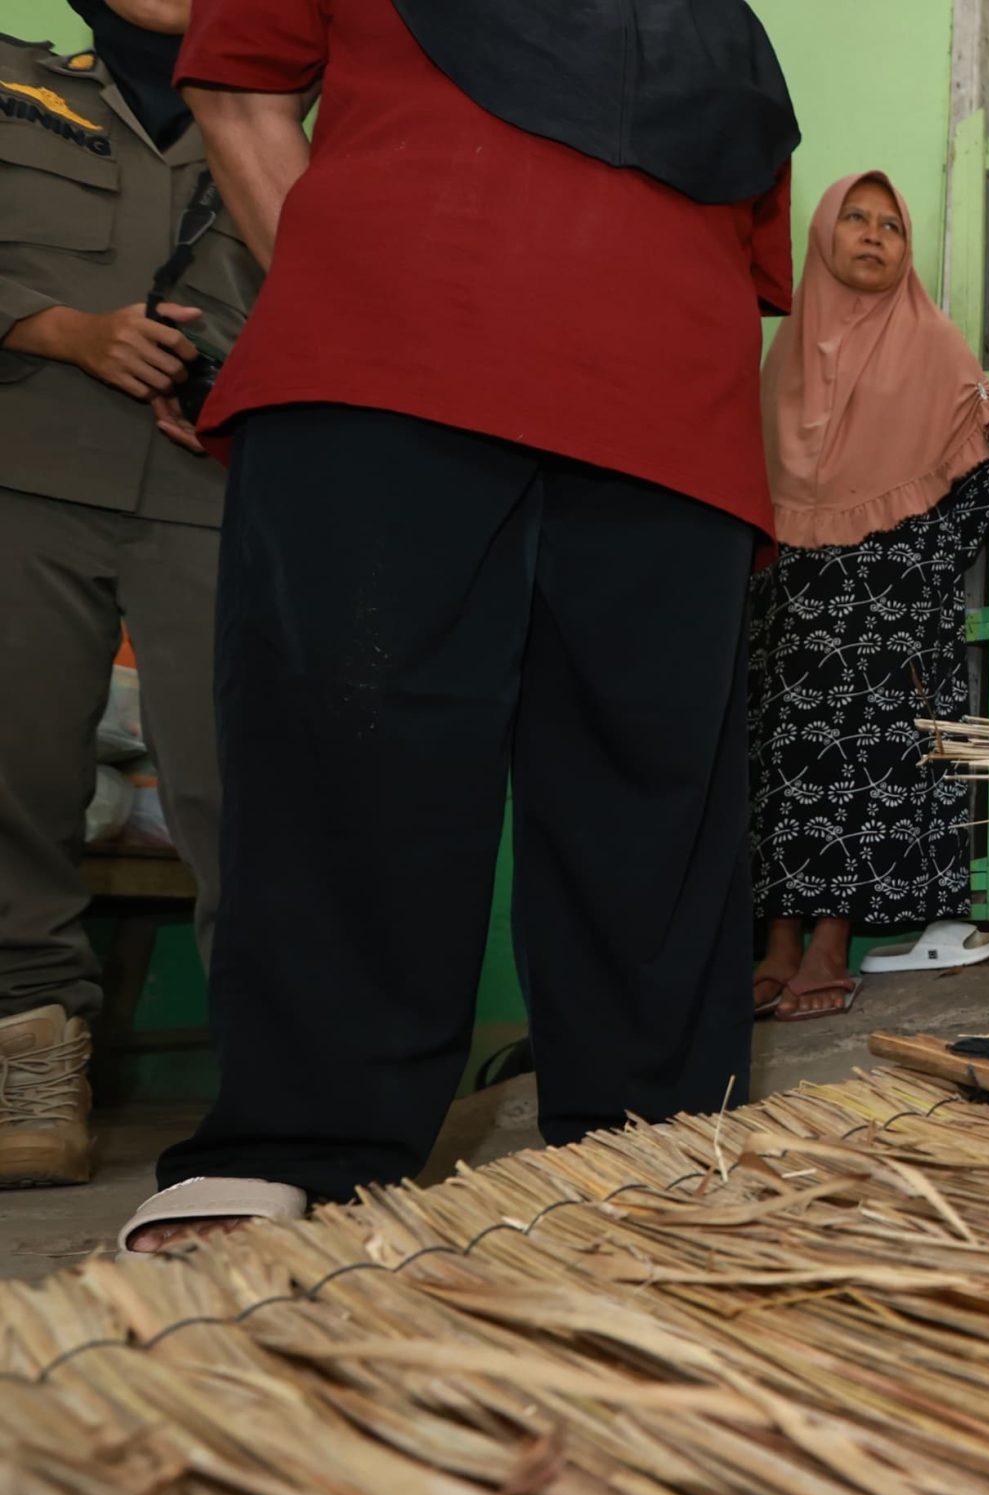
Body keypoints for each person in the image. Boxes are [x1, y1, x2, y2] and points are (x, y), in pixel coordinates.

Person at [119, 0, 798, 1251]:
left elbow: (742, 258)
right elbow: (236, 85)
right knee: (352, 748)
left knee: (650, 798)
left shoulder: (723, 25)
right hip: (388, 383)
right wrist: (355, 292)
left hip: (671, 431)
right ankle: (300, 1142)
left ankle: (654, 1136)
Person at [0, 0, 262, 1188]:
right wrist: (64, 331)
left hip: (219, 486)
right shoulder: (12, 83)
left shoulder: (283, 106)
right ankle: (30, 1052)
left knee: (240, 787)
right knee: (17, 769)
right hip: (28, 471)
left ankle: (274, 1075)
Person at [750, 171, 989, 1021]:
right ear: (823, 237)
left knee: (865, 753)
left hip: (888, 595)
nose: (873, 237)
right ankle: (779, 940)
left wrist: (922, 559)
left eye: (892, 227)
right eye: (856, 221)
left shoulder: (933, 343)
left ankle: (832, 942)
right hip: (793, 590)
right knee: (784, 752)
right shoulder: (783, 356)